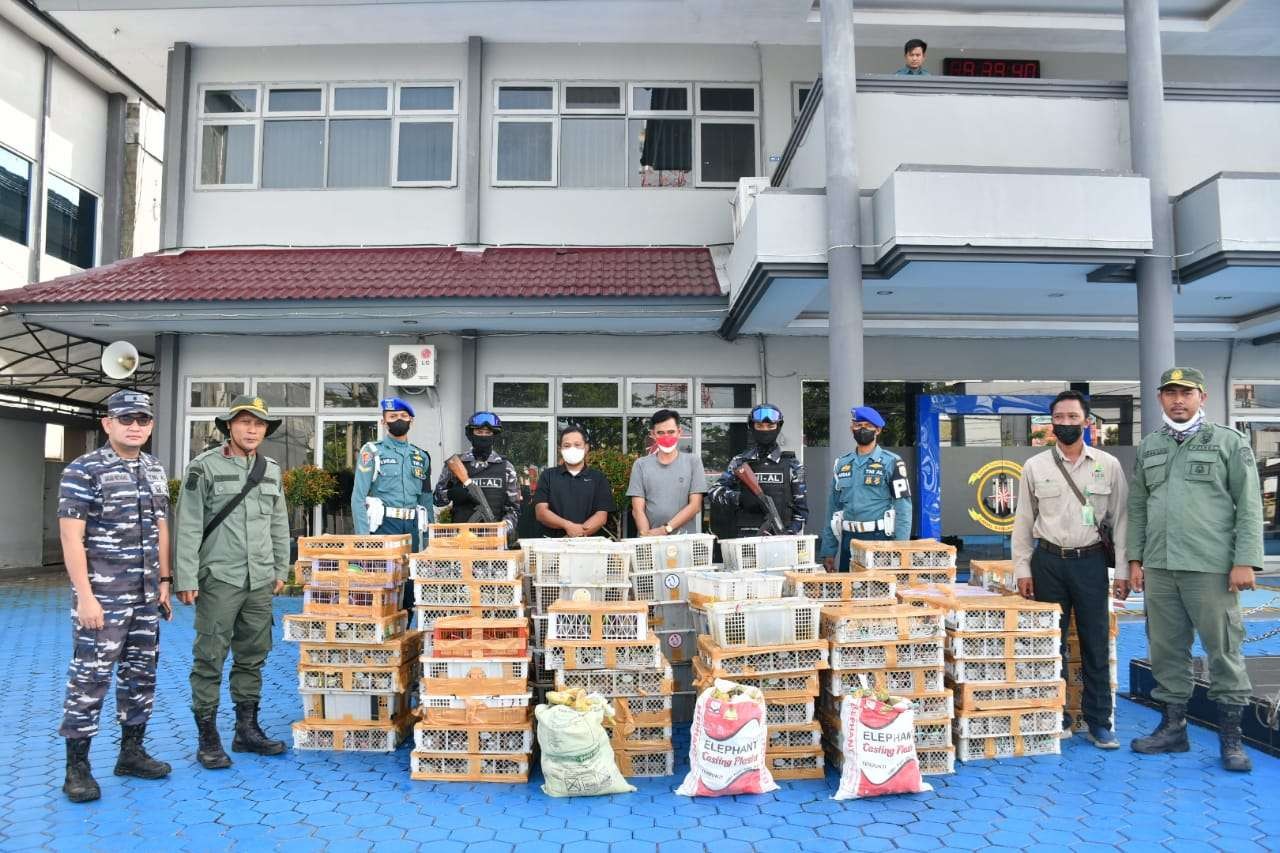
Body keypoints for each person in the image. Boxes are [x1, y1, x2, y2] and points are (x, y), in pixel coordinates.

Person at [1125, 367, 1264, 772]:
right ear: (1160, 399)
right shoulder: (1150, 446)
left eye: (1186, 393)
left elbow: (1249, 503)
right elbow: (1138, 508)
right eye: (1170, 393)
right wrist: (1136, 559)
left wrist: (1244, 560)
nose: (1178, 400)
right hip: (1161, 567)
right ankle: (1174, 729)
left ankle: (1231, 739)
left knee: (1223, 649)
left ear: (1201, 397)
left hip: (1212, 568)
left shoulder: (1228, 442)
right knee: (1166, 649)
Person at [57, 390, 173, 803]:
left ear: (151, 425)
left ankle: (132, 753)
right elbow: (71, 538)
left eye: (142, 419)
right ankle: (77, 767)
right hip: (103, 595)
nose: (135, 426)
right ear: (108, 424)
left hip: (145, 596)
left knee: (141, 677)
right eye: (126, 419)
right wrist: (85, 596)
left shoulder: (154, 469)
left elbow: (161, 526)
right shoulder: (83, 470)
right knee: (90, 679)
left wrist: (164, 581)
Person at [175, 394, 291, 769]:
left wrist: (279, 569)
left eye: (259, 424)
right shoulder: (203, 467)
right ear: (229, 426)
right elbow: (189, 525)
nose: (252, 429)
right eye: (244, 422)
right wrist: (186, 576)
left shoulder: (270, 470)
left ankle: (246, 730)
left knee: (253, 655)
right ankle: (208, 737)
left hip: (259, 579)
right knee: (210, 657)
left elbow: (278, 522)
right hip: (219, 578)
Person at [1012, 390, 1129, 748]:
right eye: (1059, 417)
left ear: (1087, 422)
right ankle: (1057, 716)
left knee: (1095, 643)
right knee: (1052, 644)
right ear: (1052, 424)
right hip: (1047, 562)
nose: (1065, 423)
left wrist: (1123, 569)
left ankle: (1099, 722)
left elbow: (1122, 520)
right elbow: (1022, 520)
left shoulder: (1107, 465)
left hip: (1091, 562)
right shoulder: (1035, 466)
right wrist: (1022, 569)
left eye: (1072, 417)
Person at [352, 397, 433, 607]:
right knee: (382, 585)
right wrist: (363, 539)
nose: (399, 420)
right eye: (393, 416)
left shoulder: (421, 456)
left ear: (411, 421)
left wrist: (430, 538)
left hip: (412, 528)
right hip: (384, 526)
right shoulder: (372, 451)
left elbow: (425, 499)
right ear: (384, 422)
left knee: (410, 589)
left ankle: (404, 634)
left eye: (403, 416)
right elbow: (358, 496)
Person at [818, 406, 912, 571]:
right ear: (851, 428)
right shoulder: (842, 464)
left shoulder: (892, 462)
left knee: (878, 592)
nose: (862, 430)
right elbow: (833, 509)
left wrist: (901, 547)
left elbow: (903, 507)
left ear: (878, 430)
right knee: (849, 592)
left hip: (879, 539)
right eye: (858, 425)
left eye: (868, 426)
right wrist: (829, 551)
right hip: (849, 539)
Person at [707, 403, 808, 538]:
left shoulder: (792, 465)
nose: (765, 430)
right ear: (752, 427)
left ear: (778, 427)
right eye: (759, 426)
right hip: (744, 541)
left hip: (781, 541)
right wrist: (739, 498)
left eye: (770, 426)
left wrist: (787, 535)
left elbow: (801, 510)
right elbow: (714, 492)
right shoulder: (740, 462)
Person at [433, 411, 521, 536]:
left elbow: (514, 509)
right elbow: (437, 499)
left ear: (494, 436)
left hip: (495, 540)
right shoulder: (457, 464)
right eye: (479, 432)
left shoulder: (506, 468)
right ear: (471, 434)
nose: (483, 436)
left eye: (488, 433)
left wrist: (502, 530)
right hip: (461, 540)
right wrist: (451, 494)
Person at [627, 409, 706, 536]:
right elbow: (637, 509)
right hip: (649, 541)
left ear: (679, 432)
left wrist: (665, 530)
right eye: (661, 433)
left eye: (671, 432)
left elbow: (695, 505)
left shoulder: (693, 462)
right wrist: (646, 536)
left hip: (683, 540)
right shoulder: (641, 465)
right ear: (653, 434)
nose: (666, 437)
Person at [532, 425, 617, 537]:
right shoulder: (547, 476)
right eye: (567, 445)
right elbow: (541, 512)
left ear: (586, 448)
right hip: (553, 544)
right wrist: (568, 526)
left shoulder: (598, 478)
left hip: (589, 547)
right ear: (560, 449)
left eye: (577, 445)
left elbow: (601, 515)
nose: (572, 449)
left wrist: (578, 534)